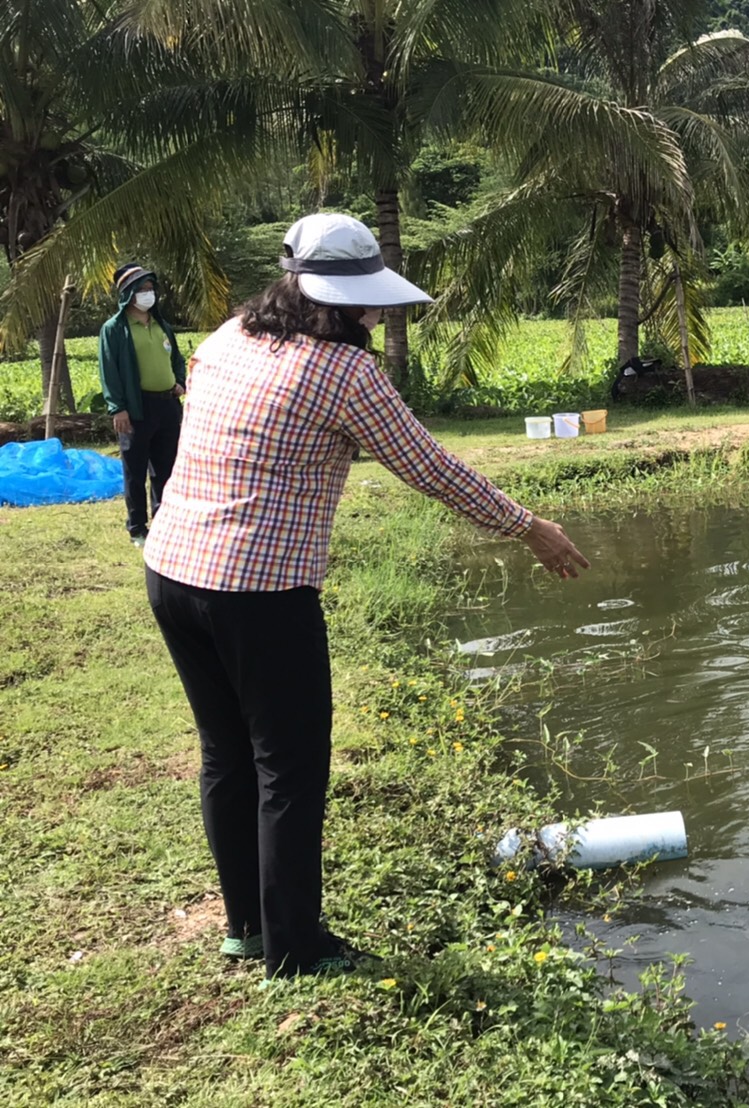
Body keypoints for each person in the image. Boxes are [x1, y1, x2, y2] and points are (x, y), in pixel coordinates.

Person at [144, 212, 589, 980]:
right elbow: (430, 468)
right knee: (288, 768)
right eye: (372, 301)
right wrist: (529, 527)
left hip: (173, 569)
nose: (379, 313)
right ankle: (295, 948)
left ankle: (247, 928)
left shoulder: (228, 336)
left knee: (226, 755)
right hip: (259, 590)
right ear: (345, 301)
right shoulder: (345, 373)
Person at [99, 263, 188, 547]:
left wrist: (180, 382)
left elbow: (176, 359)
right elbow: (109, 370)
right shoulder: (115, 329)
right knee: (135, 471)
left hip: (168, 405)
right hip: (137, 408)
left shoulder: (162, 325)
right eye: (142, 289)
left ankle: (164, 523)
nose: (148, 294)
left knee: (166, 468)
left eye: (151, 289)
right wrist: (117, 408)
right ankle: (137, 528)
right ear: (128, 294)